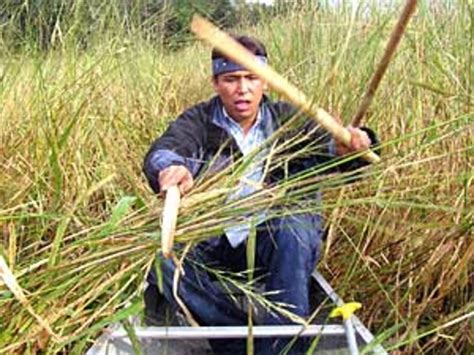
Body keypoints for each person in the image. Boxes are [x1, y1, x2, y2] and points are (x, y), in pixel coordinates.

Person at [143, 35, 378, 354]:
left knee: (294, 227)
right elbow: (167, 150)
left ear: (265, 82)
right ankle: (240, 341)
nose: (243, 90)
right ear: (215, 82)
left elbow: (337, 151)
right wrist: (170, 169)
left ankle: (284, 346)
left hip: (275, 245)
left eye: (252, 78)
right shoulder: (198, 121)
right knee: (160, 258)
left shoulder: (289, 121)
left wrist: (353, 145)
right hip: (216, 242)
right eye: (231, 79)